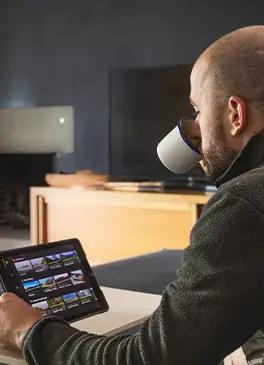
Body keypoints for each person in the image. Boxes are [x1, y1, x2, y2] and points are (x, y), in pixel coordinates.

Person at [0, 24, 264, 365]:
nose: (194, 128)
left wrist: (28, 330)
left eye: (198, 110)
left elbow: (147, 359)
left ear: (235, 114)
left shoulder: (243, 204)